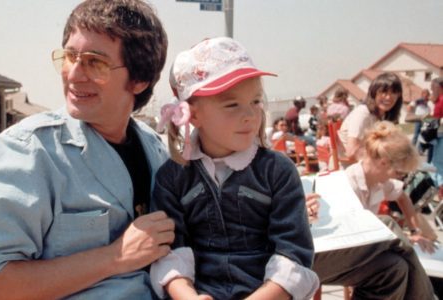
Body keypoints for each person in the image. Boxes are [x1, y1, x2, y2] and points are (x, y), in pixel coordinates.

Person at [0, 1, 174, 299]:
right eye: (70, 56)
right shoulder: (28, 151)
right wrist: (114, 257)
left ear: (140, 79)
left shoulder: (156, 150)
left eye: (95, 62)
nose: (73, 74)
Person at [150, 37, 319, 300]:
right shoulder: (172, 178)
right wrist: (187, 296)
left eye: (255, 102)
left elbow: (293, 254)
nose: (250, 115)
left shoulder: (278, 172)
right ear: (192, 114)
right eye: (232, 104)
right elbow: (171, 251)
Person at [306, 193, 436, 300]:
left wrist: (296, 210)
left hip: (301, 240)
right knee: (386, 226)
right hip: (291, 252)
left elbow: (402, 195)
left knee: (393, 267)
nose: (399, 176)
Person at [345, 121, 435, 251]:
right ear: (383, 163)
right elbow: (355, 236)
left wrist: (415, 231)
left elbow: (403, 198)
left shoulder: (378, 181)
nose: (398, 178)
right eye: (398, 173)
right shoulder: (350, 185)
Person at [338, 72, 403, 164]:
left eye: (393, 92)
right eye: (384, 92)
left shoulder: (383, 116)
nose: (388, 97)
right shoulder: (362, 113)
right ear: (373, 93)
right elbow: (351, 151)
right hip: (351, 169)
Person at [430, 77, 443, 200]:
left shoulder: (441, 101)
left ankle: (440, 193)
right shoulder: (439, 100)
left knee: (438, 165)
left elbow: (436, 119)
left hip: (440, 136)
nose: (431, 90)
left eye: (433, 87)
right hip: (439, 135)